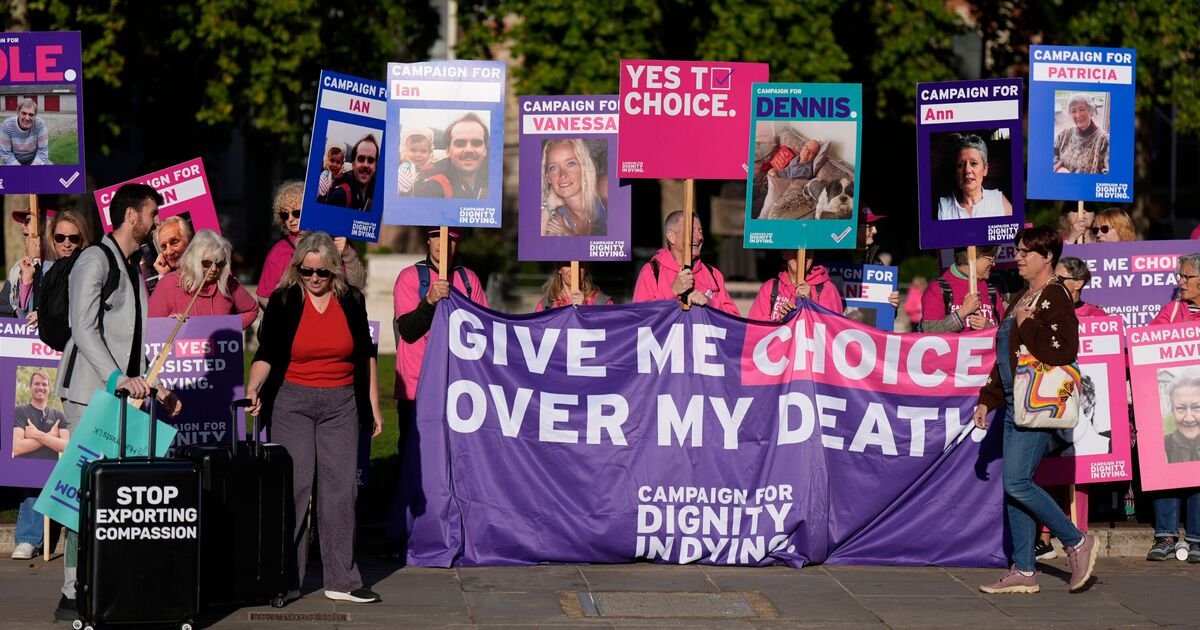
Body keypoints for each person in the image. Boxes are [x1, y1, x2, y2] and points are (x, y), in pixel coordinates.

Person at [52, 183, 183, 620]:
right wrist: (117, 380)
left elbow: (130, 340)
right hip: (89, 395)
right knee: (81, 492)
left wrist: (152, 385)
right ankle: (71, 590)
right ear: (131, 217)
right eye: (152, 214)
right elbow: (83, 329)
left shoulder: (132, 264)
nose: (156, 222)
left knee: (109, 497)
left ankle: (102, 580)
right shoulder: (94, 259)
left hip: (117, 394)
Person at [246, 231, 383, 605]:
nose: (315, 279)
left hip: (341, 403)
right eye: (307, 272)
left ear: (335, 270)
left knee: (341, 491)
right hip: (293, 400)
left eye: (322, 272)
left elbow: (364, 356)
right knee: (294, 488)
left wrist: (373, 405)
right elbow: (268, 352)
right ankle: (285, 579)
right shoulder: (284, 299)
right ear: (297, 269)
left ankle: (343, 580)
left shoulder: (352, 300)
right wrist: (254, 387)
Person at [973, 225, 1097, 594]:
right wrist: (988, 397)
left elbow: (1062, 351)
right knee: (1016, 487)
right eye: (1019, 249)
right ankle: (1024, 570)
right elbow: (1003, 356)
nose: (1019, 256)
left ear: (1047, 257)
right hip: (1014, 403)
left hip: (1036, 404)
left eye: (1027, 251)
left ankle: (1075, 541)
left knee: (1016, 482)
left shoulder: (1054, 296)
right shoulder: (1021, 296)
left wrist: (1027, 324)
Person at [257, 181, 365, 307]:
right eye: (285, 215)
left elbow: (359, 284)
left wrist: (347, 252)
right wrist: (289, 316)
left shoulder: (334, 239)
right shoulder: (279, 251)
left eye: (296, 213)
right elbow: (263, 296)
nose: (290, 219)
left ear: (310, 209)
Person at [8, 370, 66, 561]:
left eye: (44, 384)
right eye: (37, 384)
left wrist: (37, 435)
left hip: (54, 467)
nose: (41, 387)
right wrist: (50, 436)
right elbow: (17, 446)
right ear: (31, 387)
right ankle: (27, 541)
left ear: (49, 388)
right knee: (32, 493)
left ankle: (47, 544)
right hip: (29, 470)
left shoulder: (58, 414)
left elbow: (66, 445)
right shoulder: (20, 411)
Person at [632, 211, 739, 315]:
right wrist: (672, 292)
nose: (699, 237)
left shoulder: (713, 274)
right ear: (671, 236)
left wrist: (710, 303)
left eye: (700, 231)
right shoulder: (653, 271)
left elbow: (734, 320)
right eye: (692, 231)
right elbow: (638, 317)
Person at [149, 230, 259, 329]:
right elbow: (150, 326)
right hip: (181, 350)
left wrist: (229, 328)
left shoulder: (227, 283)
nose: (214, 269)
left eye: (220, 263)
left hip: (217, 350)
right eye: (207, 263)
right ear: (193, 260)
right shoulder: (168, 284)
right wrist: (167, 324)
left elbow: (251, 310)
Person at [1145, 368, 1200, 562]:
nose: (1188, 417)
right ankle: (1166, 536)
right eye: (1180, 408)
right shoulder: (1165, 442)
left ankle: (1197, 538)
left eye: (1196, 407)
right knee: (1161, 470)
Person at [919, 246, 1003, 333]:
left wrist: (989, 327)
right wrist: (963, 312)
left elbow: (1005, 332)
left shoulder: (991, 290)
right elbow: (929, 332)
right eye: (991, 258)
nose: (993, 263)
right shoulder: (938, 288)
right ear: (971, 256)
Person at [748, 252, 844, 321]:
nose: (802, 254)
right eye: (794, 248)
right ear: (783, 254)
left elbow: (832, 332)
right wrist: (781, 322)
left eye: (809, 249)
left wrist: (810, 303)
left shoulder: (827, 289)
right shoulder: (770, 287)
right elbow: (754, 329)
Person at [937, 135, 1013, 220]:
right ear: (955, 173)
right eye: (960, 165)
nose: (967, 170)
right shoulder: (945, 207)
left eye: (974, 163)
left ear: (985, 169)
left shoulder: (998, 200)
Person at [541, 139, 607, 237]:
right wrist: (548, 205)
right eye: (553, 168)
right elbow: (534, 247)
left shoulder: (604, 195)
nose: (562, 174)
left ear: (584, 168)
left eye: (570, 164)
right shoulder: (556, 219)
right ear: (548, 178)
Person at [414, 113, 489, 199]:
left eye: (476, 143)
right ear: (448, 150)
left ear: (485, 150)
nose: (469, 150)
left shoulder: (492, 181)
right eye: (460, 143)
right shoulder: (432, 189)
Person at [1054, 93, 1110, 175]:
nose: (1078, 115)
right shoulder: (1065, 134)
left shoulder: (1104, 140)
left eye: (1082, 109)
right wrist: (1059, 168)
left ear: (1091, 112)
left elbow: (1109, 175)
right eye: (1074, 111)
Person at [325, 134, 378, 210]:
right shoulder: (339, 195)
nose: (366, 165)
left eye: (371, 160)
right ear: (353, 164)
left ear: (376, 166)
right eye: (361, 159)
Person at [535, 263, 613, 310]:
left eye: (580, 264)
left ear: (586, 269)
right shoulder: (545, 305)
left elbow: (610, 332)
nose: (574, 269)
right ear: (559, 268)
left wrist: (584, 310)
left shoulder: (603, 303)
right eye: (568, 263)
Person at [1152, 253, 1200, 325]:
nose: (1180, 282)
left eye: (1186, 277)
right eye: (1180, 276)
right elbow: (1152, 334)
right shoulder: (1172, 309)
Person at [0, 99, 51, 165]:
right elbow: (5, 153)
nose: (27, 118)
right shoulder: (7, 125)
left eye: (31, 115)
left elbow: (42, 153)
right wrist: (20, 170)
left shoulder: (40, 124)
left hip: (33, 158)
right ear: (18, 113)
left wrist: (32, 169)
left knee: (51, 168)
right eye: (24, 113)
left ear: (35, 116)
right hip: (13, 160)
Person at [395, 129, 434, 195]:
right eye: (413, 150)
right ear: (406, 151)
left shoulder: (432, 167)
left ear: (430, 153)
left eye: (423, 151)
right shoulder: (404, 171)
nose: (418, 155)